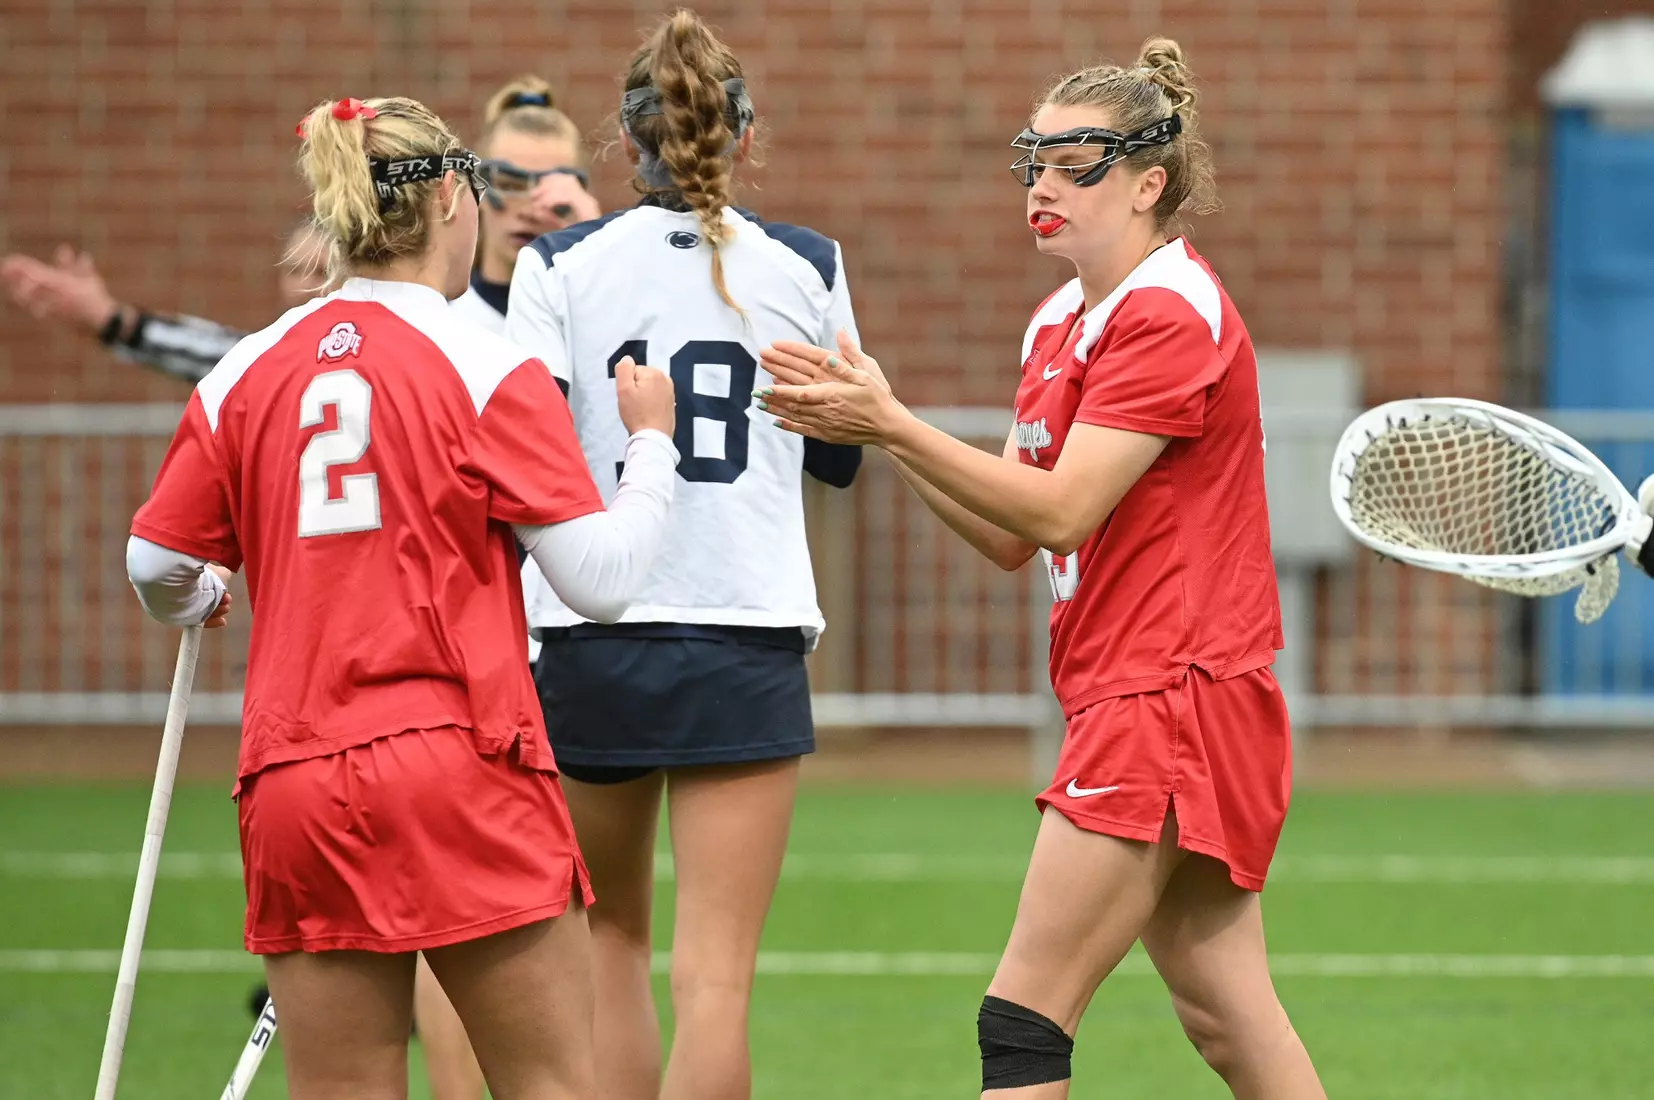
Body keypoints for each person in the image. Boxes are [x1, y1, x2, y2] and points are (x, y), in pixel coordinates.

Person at [756, 39, 1328, 1100]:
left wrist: (892, 419)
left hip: (1171, 693)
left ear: (1149, 183)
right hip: (1142, 689)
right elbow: (1012, 533)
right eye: (1034, 161)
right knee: (1227, 1015)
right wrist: (882, 430)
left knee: (1021, 1017)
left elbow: (1062, 508)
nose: (1044, 187)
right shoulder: (1061, 318)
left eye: (1077, 165)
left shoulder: (1166, 309)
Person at [124, 93, 683, 1100]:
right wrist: (651, 448)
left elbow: (153, 561)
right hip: (458, 760)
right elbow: (598, 580)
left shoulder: (242, 370)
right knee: (553, 1083)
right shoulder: (485, 359)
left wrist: (205, 591)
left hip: (295, 774)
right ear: (451, 203)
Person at [504, 11, 862, 1100]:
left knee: (610, 947)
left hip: (589, 628)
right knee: (717, 982)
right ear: (740, 137)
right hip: (743, 626)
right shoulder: (804, 263)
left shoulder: (558, 263)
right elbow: (837, 463)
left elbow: (527, 458)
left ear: (624, 139)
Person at [418, 73, 603, 1100]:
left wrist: (592, 240)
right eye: (511, 179)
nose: (536, 198)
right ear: (466, 192)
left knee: (573, 928)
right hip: (470, 657)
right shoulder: (434, 317)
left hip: (573, 642)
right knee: (461, 922)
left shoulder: (593, 285)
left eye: (561, 180)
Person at [1, 222, 328, 384]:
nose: (306, 285)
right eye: (295, 270)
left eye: (323, 271)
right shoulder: (267, 361)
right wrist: (112, 320)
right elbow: (217, 350)